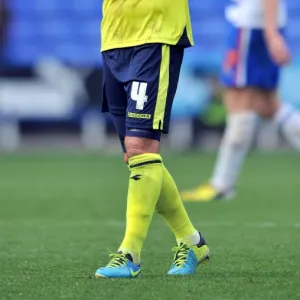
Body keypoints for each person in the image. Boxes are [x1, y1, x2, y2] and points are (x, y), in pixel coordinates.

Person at [95, 0, 210, 278]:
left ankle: (129, 253)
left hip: (157, 31)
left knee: (140, 146)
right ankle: (192, 242)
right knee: (135, 156)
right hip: (114, 36)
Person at [181, 0, 300, 202]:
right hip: (259, 24)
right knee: (268, 105)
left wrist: (271, 34)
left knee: (238, 100)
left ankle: (221, 184)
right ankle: (221, 184)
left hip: (250, 26)